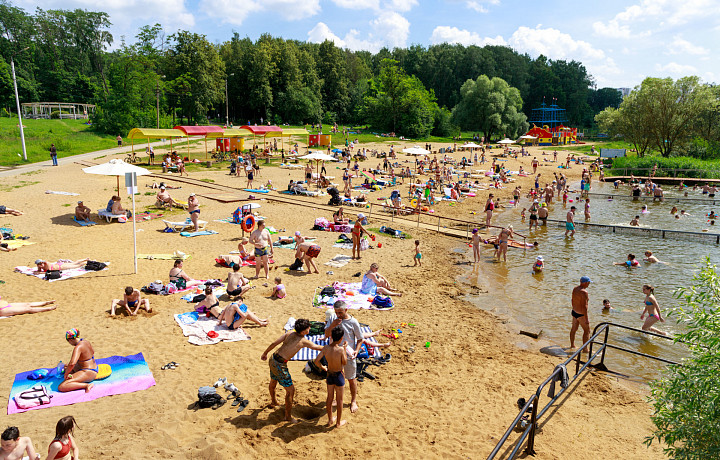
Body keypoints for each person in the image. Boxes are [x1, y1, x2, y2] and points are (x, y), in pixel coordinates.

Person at [261, 319, 323, 422]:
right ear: (303, 331)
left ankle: (274, 401)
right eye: (308, 327)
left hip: (273, 358)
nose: (310, 328)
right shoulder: (303, 341)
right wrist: (331, 347)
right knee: (290, 391)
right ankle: (288, 417)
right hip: (280, 364)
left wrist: (265, 353)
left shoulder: (289, 333)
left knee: (273, 380)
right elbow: (317, 347)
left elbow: (274, 343)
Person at [325, 301, 364, 414]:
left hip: (348, 355)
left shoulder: (353, 322)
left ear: (346, 310)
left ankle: (353, 401)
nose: (338, 315)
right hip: (334, 355)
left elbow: (360, 339)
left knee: (351, 379)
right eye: (336, 312)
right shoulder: (333, 318)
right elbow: (326, 334)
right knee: (335, 379)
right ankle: (335, 399)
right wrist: (332, 325)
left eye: (340, 312)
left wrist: (356, 351)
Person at [315, 326, 348, 428]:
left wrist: (323, 367)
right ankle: (338, 423)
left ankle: (330, 420)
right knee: (339, 400)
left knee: (329, 398)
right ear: (341, 338)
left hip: (329, 374)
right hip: (339, 375)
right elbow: (344, 362)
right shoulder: (341, 350)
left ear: (331, 337)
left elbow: (316, 361)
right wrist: (345, 349)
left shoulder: (326, 348)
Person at [570, 276, 591, 353]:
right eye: (588, 283)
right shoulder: (584, 292)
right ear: (585, 283)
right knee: (587, 331)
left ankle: (572, 345)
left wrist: (574, 308)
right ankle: (585, 349)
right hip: (581, 314)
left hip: (574, 312)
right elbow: (585, 307)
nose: (589, 284)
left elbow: (572, 300)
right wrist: (586, 319)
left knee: (573, 329)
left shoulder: (575, 289)